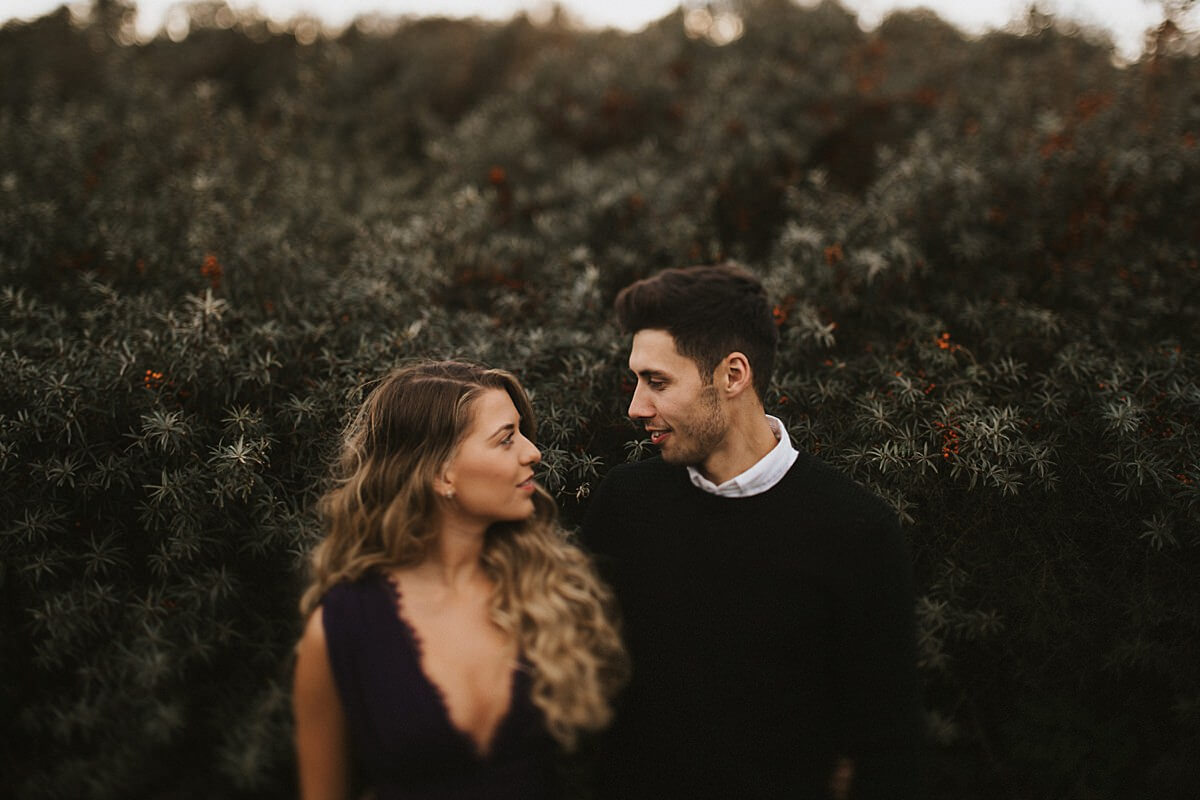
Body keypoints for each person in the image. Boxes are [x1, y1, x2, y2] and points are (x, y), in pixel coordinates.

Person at [582, 264, 922, 799]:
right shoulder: (625, 505)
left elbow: (887, 745)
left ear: (733, 375)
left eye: (657, 381)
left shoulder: (855, 531)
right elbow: (580, 691)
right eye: (637, 380)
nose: (636, 406)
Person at [293, 360, 628, 800]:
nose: (533, 452)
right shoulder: (342, 628)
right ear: (441, 473)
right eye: (506, 439)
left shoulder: (546, 590)